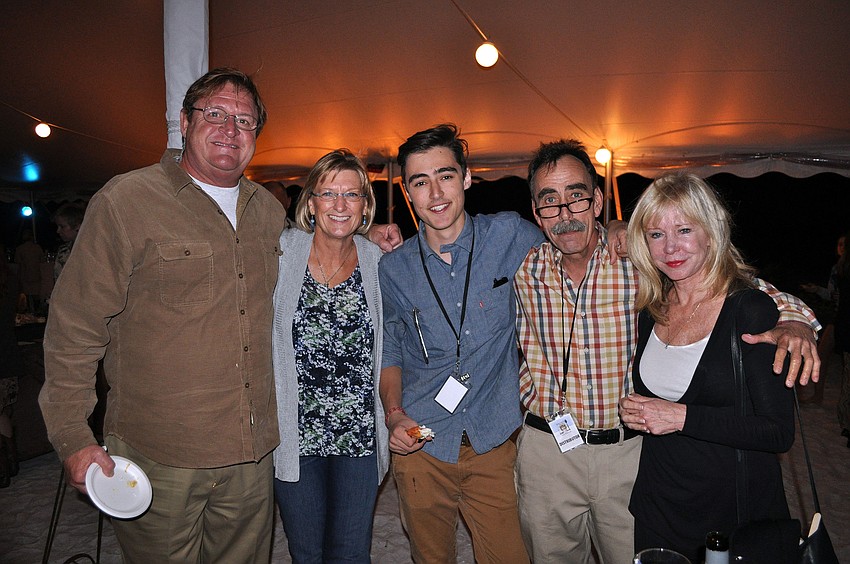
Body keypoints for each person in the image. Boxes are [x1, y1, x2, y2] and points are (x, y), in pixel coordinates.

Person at [41, 68, 314, 563]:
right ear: (184, 124)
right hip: (159, 454)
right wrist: (72, 435)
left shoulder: (268, 212)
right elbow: (73, 327)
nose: (230, 129)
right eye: (215, 114)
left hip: (252, 456)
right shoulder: (127, 201)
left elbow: (316, 269)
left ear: (256, 137)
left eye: (245, 121)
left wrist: (370, 240)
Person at [513, 139, 819, 564]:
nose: (565, 214)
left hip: (628, 454)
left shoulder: (639, 261)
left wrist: (794, 320)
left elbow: (734, 286)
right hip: (547, 452)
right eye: (550, 202)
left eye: (576, 197)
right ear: (536, 213)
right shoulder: (523, 269)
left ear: (598, 200)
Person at [379, 124, 542, 563]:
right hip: (422, 440)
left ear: (467, 177)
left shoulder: (513, 236)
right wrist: (394, 415)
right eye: (420, 181)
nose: (435, 192)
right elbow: (390, 349)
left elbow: (575, 244)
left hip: (493, 438)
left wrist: (619, 228)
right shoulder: (393, 268)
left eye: (445, 175)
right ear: (408, 192)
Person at [619, 172, 795, 561]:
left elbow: (778, 432)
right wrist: (640, 410)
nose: (670, 247)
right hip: (657, 506)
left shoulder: (748, 310)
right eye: (656, 234)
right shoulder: (653, 308)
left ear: (711, 233)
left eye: (684, 229)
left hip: (725, 517)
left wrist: (681, 417)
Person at [272, 149, 389, 562]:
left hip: (358, 437)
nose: (340, 205)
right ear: (310, 203)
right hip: (295, 435)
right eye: (328, 193)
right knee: (306, 552)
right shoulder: (280, 253)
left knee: (352, 552)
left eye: (352, 195)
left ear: (365, 205)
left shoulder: (378, 261)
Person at [0, 246, 24, 488]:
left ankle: (5, 466)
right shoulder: (10, 280)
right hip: (8, 352)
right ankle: (10, 461)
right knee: (3, 410)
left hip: (4, 353)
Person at [51, 202, 86, 280]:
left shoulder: (92, 250)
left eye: (62, 227)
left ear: (78, 226)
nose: (58, 231)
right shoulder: (63, 251)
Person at [14, 229, 44, 314]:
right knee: (35, 296)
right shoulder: (37, 248)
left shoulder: (20, 248)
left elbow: (17, 262)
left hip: (25, 275)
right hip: (36, 274)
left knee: (26, 296)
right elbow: (42, 260)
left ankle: (28, 314)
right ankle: (36, 313)